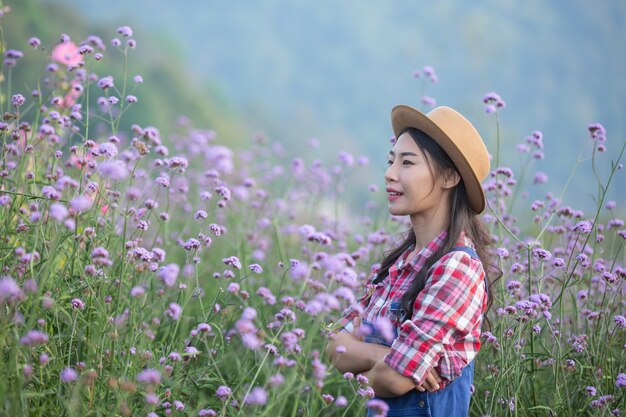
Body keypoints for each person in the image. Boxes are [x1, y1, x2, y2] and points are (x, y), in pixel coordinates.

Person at [326, 105, 498, 416]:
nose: (390, 174)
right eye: (391, 161)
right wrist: (384, 354)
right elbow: (334, 346)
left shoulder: (456, 267)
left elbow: (393, 380)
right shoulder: (399, 264)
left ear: (448, 177)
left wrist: (368, 364)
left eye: (407, 162)